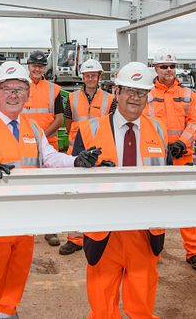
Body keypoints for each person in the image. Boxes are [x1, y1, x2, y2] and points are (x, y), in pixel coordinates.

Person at [0, 60, 101, 319]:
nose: (13, 95)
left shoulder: (32, 127)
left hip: (24, 220)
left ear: (27, 94)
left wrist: (76, 160)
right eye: (7, 89)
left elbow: (50, 158)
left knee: (15, 277)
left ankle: (6, 313)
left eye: (19, 89)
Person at [72, 61, 168, 319]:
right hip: (105, 228)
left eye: (141, 93)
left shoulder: (159, 131)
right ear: (116, 92)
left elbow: (167, 180)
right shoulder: (89, 129)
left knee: (142, 304)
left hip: (144, 229)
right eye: (130, 91)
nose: (136, 98)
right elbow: (74, 178)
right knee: (102, 305)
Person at [148, 48, 196, 272]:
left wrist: (182, 142)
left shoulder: (189, 94)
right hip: (157, 158)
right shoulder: (148, 93)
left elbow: (195, 121)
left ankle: (194, 252)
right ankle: (154, 251)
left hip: (182, 156)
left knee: (186, 207)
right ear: (156, 69)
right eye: (164, 66)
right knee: (156, 206)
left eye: (171, 66)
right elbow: (144, 123)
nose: (168, 70)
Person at [59, 58, 115, 256]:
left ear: (99, 77)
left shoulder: (110, 99)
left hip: (102, 151)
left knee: (101, 195)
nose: (90, 78)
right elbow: (68, 123)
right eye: (87, 75)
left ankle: (97, 236)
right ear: (83, 77)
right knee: (76, 196)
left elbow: (113, 123)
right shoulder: (72, 98)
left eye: (94, 75)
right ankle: (75, 238)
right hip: (76, 152)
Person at [22, 50, 65, 246]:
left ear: (44, 68)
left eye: (40, 66)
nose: (37, 68)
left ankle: (50, 229)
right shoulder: (20, 87)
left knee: (49, 189)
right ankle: (23, 228)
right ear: (28, 66)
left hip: (48, 144)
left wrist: (41, 137)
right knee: (23, 188)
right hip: (22, 145)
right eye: (34, 65)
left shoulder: (54, 90)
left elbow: (59, 119)